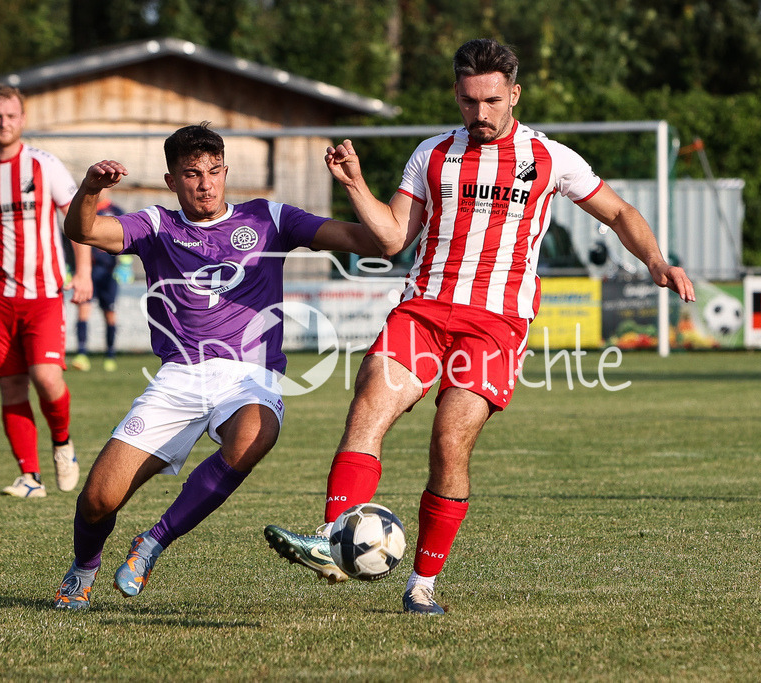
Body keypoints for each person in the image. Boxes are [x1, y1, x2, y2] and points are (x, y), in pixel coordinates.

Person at [263, 39, 696, 615]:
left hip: (494, 325)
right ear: (458, 97)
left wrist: (656, 261)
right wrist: (354, 184)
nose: (481, 113)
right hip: (422, 311)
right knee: (368, 407)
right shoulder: (431, 154)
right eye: (470, 101)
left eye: (493, 100)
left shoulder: (549, 157)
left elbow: (618, 212)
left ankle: (421, 584)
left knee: (449, 442)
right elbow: (393, 238)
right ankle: (333, 538)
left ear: (514, 94)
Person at [53, 123, 387, 610]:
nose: (205, 183)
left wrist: (354, 184)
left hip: (251, 376)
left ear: (226, 171)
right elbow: (83, 231)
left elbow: (374, 242)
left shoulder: (269, 217)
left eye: (214, 172)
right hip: (178, 377)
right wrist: (91, 189)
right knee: (99, 500)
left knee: (256, 434)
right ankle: (84, 567)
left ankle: (151, 543)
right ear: (172, 181)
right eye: (192, 174)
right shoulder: (156, 225)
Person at [0, 84, 92, 499]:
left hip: (44, 294)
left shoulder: (44, 166)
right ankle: (30, 477)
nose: (3, 122)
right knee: (11, 388)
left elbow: (78, 220)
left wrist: (83, 272)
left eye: (10, 115)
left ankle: (62, 443)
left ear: (22, 119)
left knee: (46, 378)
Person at [71, 191, 129, 373]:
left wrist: (124, 266)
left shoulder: (116, 210)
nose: (100, 191)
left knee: (109, 313)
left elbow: (128, 239)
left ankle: (110, 355)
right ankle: (81, 354)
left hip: (109, 272)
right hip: (88, 270)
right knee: (83, 309)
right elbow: (72, 239)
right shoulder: (84, 211)